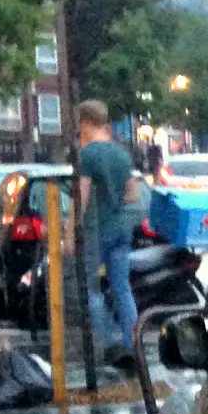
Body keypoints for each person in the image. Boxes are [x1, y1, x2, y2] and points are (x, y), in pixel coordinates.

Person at [78, 99, 139, 365]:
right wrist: (116, 205)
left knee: (91, 289)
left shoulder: (89, 155)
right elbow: (133, 193)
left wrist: (69, 232)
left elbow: (81, 198)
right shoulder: (121, 154)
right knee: (122, 287)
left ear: (86, 122)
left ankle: (112, 342)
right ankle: (132, 343)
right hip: (121, 229)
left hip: (97, 230)